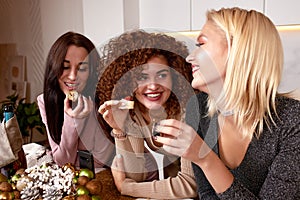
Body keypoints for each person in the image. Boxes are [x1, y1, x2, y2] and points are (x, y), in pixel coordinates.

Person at [148, 7, 300, 199]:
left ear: (239, 50)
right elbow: (207, 195)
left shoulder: (293, 121)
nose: (189, 57)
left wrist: (205, 158)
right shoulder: (199, 108)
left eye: (201, 44)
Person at [96, 30, 198, 199]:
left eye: (162, 75)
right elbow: (138, 175)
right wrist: (120, 130)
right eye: (142, 77)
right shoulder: (134, 110)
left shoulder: (188, 111)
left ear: (175, 76)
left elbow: (189, 185)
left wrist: (126, 187)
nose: (153, 86)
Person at [37, 31, 115, 171]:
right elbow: (63, 162)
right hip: (72, 182)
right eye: (65, 67)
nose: (73, 76)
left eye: (82, 68)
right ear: (53, 68)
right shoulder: (45, 101)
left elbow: (98, 161)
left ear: (91, 72)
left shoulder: (103, 99)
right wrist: (72, 120)